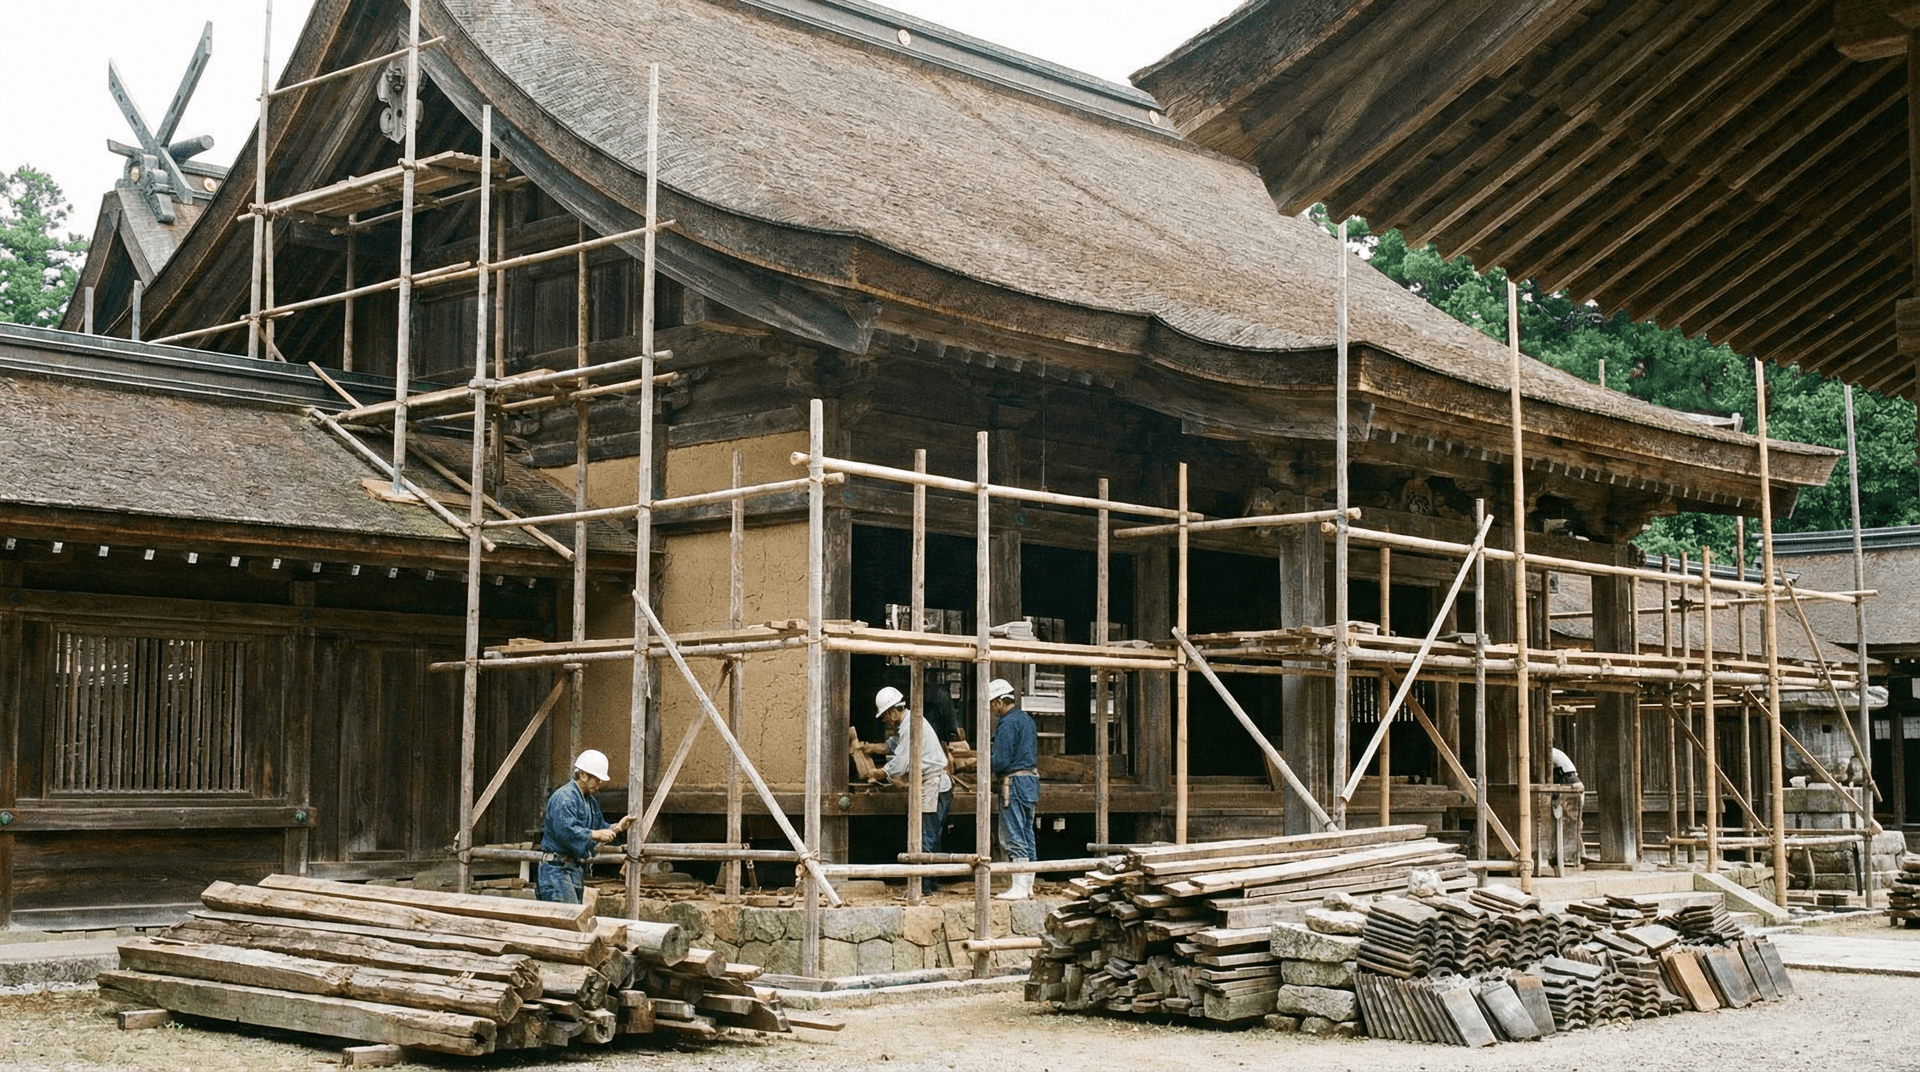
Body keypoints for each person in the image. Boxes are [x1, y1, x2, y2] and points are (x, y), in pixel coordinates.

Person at [868, 686, 952, 895]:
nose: (885, 720)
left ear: (892, 712)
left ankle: (922, 888)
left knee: (925, 838)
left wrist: (877, 773)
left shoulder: (911, 726)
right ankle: (929, 883)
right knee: (931, 837)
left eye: (885, 716)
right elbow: (893, 745)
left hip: (934, 785)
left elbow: (901, 763)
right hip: (933, 784)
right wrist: (869, 748)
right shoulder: (908, 723)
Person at [537, 749, 634, 904]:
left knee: (574, 914)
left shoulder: (589, 802)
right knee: (566, 916)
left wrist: (617, 828)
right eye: (597, 778)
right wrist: (595, 834)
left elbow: (599, 827)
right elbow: (565, 830)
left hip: (573, 869)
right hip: (556, 870)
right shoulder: (564, 798)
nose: (600, 783)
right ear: (583, 775)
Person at [987, 677, 1039, 900]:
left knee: (1013, 832)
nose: (992, 709)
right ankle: (1028, 885)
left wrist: (984, 762)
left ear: (999, 701)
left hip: (1014, 783)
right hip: (1030, 781)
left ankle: (1018, 887)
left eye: (992, 703)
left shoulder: (1007, 723)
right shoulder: (1026, 720)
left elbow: (1001, 761)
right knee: (1027, 832)